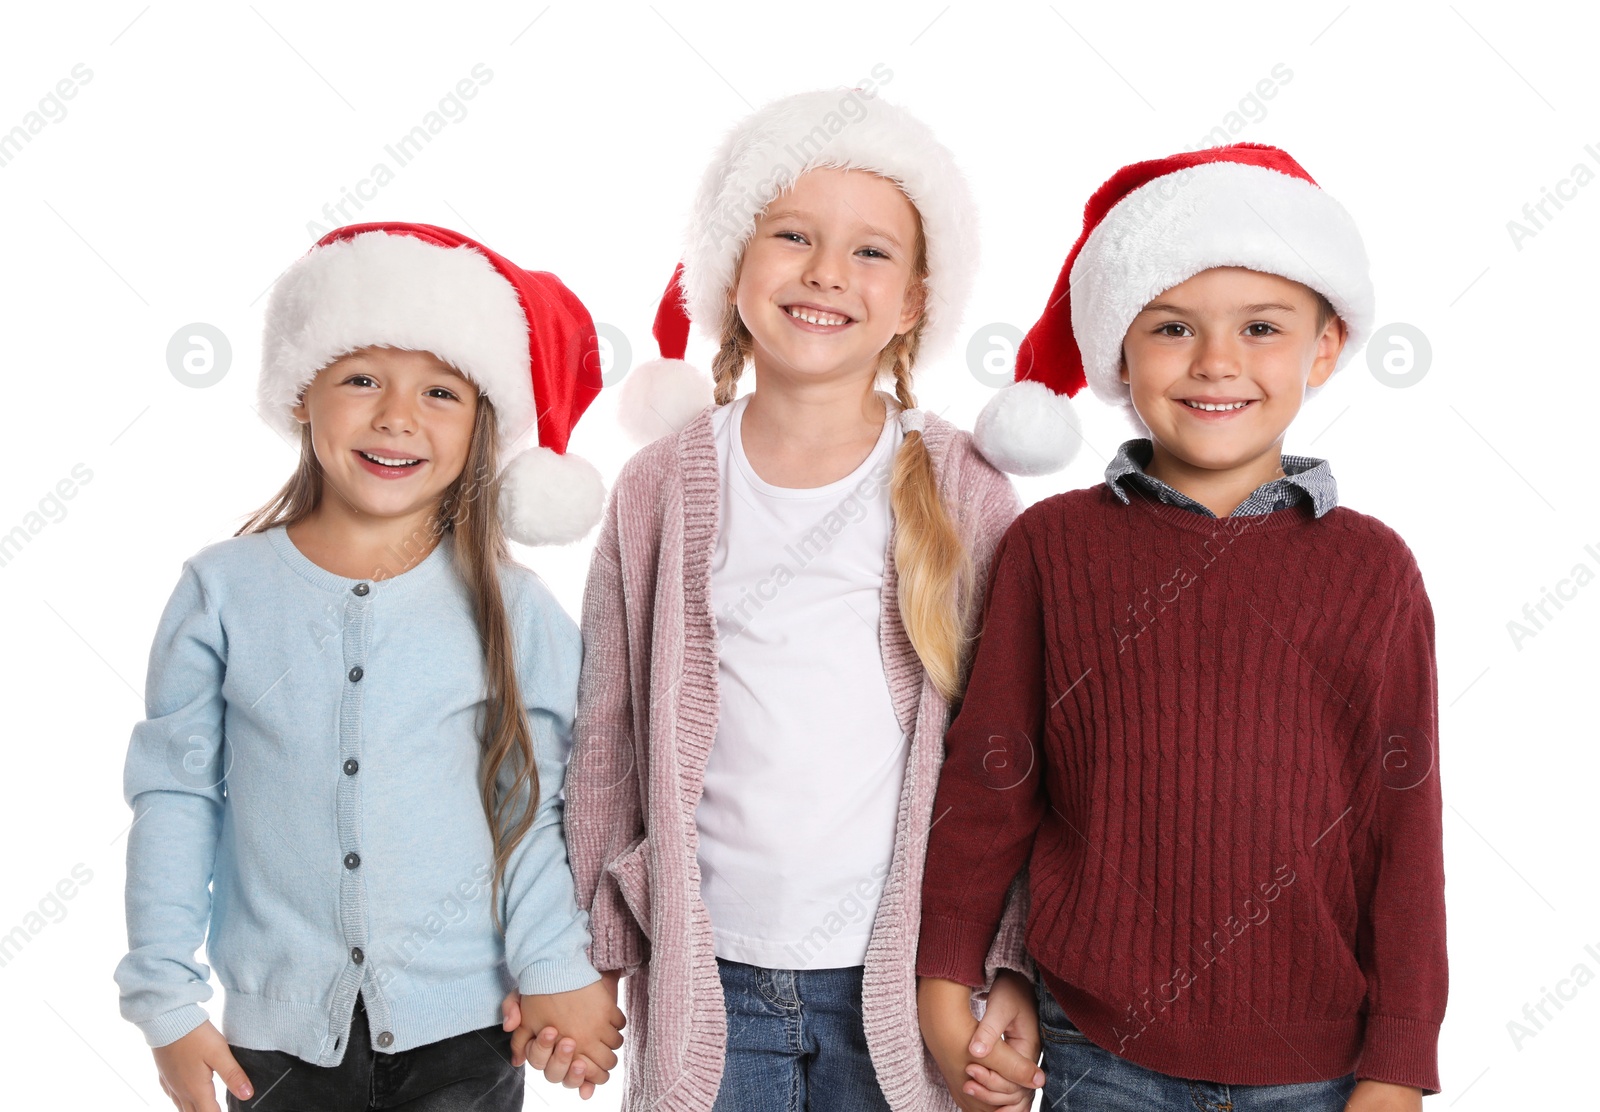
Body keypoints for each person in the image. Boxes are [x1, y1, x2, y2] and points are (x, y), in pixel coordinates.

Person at [919, 144, 1448, 1112]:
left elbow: (1402, 824)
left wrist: (1399, 1061)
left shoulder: (1372, 568)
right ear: (1116, 353)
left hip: (1317, 1062)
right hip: (1100, 1047)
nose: (1216, 363)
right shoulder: (1053, 546)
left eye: (1260, 327)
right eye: (1171, 328)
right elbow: (992, 777)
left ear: (1324, 348)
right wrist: (942, 974)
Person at [543, 89, 1040, 1110]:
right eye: (793, 236)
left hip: (904, 980)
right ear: (730, 271)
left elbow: (1015, 752)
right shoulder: (660, 486)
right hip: (708, 976)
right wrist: (593, 954)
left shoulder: (963, 489)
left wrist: (1008, 962)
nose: (824, 273)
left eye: (870, 252)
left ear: (912, 302)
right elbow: (607, 734)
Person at [114, 222, 624, 1111]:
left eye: (440, 391)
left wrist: (554, 969)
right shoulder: (220, 592)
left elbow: (537, 804)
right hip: (274, 1044)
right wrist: (164, 1002)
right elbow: (175, 797)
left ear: (484, 426)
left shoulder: (516, 608)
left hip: (469, 1036)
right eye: (361, 379)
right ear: (301, 394)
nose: (397, 416)